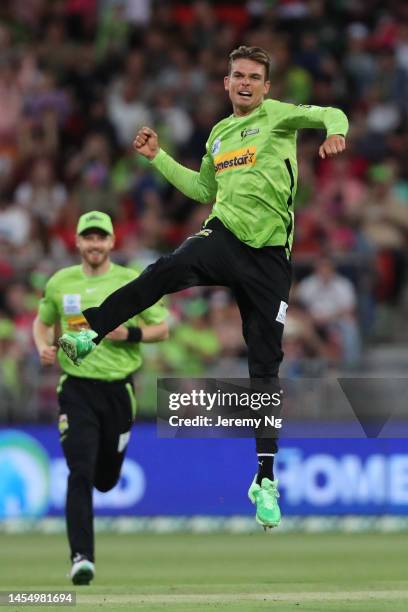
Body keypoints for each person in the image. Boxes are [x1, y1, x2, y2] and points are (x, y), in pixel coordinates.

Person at [58, 46, 348, 530]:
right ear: (227, 82)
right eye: (238, 75)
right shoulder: (218, 134)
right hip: (226, 236)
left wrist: (336, 133)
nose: (246, 83)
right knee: (163, 271)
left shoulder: (277, 117)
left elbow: (332, 112)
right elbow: (201, 191)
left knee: (265, 367)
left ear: (267, 86)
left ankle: (265, 478)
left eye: (255, 77)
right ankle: (91, 331)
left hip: (271, 257)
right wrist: (158, 158)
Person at [33, 211, 168, 584]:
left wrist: (131, 336)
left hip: (119, 390)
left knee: (105, 479)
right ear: (77, 242)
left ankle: (105, 475)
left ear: (111, 242)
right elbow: (42, 321)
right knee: (79, 471)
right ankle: (81, 558)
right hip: (75, 388)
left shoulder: (130, 281)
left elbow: (162, 328)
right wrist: (42, 346)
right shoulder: (62, 282)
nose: (94, 244)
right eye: (88, 237)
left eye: (101, 237)